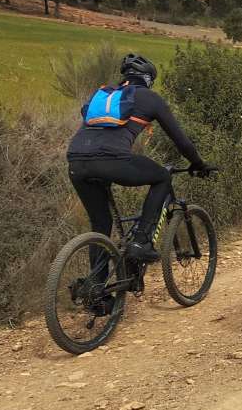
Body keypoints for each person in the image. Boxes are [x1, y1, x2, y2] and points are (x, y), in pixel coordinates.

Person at [67, 53, 211, 264]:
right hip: (112, 159)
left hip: (76, 162)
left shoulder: (102, 95)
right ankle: (141, 242)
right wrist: (198, 163)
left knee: (101, 225)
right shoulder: (149, 98)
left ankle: (97, 291)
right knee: (162, 177)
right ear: (148, 79)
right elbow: (182, 142)